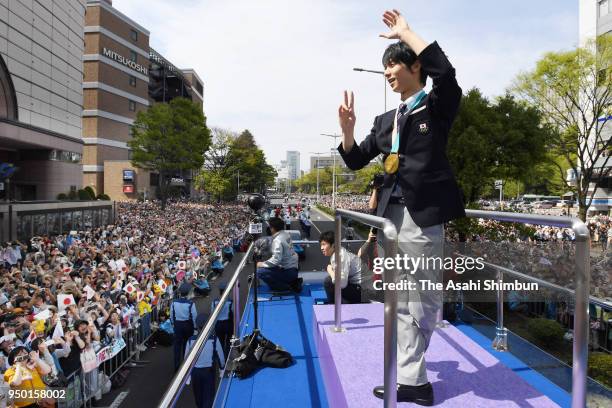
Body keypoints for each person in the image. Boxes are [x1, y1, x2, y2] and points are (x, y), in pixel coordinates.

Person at [337, 9, 464, 405]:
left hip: (423, 214)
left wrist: (406, 33)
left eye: (393, 66)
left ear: (414, 67)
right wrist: (347, 131)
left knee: (423, 301)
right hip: (391, 217)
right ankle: (414, 382)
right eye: (386, 68)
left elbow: (447, 74)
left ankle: (413, 375)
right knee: (402, 299)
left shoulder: (437, 104)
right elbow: (356, 160)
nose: (388, 73)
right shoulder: (385, 119)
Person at [185, 313, 224, 408]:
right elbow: (220, 355)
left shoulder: (190, 340)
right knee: (208, 396)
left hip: (195, 372)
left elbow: (186, 358)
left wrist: (187, 375)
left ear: (197, 326)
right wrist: (222, 369)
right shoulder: (214, 339)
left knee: (198, 395)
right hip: (208, 372)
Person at [256, 217, 302, 292]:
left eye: (270, 227)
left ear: (273, 228)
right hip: (294, 267)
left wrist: (261, 264)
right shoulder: (286, 234)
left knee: (260, 272)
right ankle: (291, 282)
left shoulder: (277, 240)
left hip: (288, 271)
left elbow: (276, 260)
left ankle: (284, 288)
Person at [319, 231, 362, 304]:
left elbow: (341, 283)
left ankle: (333, 308)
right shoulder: (339, 252)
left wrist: (330, 271)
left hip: (363, 291)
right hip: (359, 287)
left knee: (328, 281)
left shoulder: (339, 257)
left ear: (333, 245)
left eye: (324, 244)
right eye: (321, 245)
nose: (321, 248)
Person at [170, 283, 197, 371]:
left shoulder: (174, 302)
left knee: (177, 346)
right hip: (188, 325)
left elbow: (171, 315)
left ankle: (176, 366)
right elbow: (194, 317)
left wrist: (173, 324)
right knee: (187, 344)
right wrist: (195, 328)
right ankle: (185, 365)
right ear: (188, 293)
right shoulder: (191, 303)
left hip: (178, 325)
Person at [212, 283, 233, 357]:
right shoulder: (230, 301)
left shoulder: (215, 301)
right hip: (227, 324)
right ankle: (227, 356)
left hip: (218, 324)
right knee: (228, 341)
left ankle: (221, 358)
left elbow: (212, 313)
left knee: (220, 342)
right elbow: (232, 311)